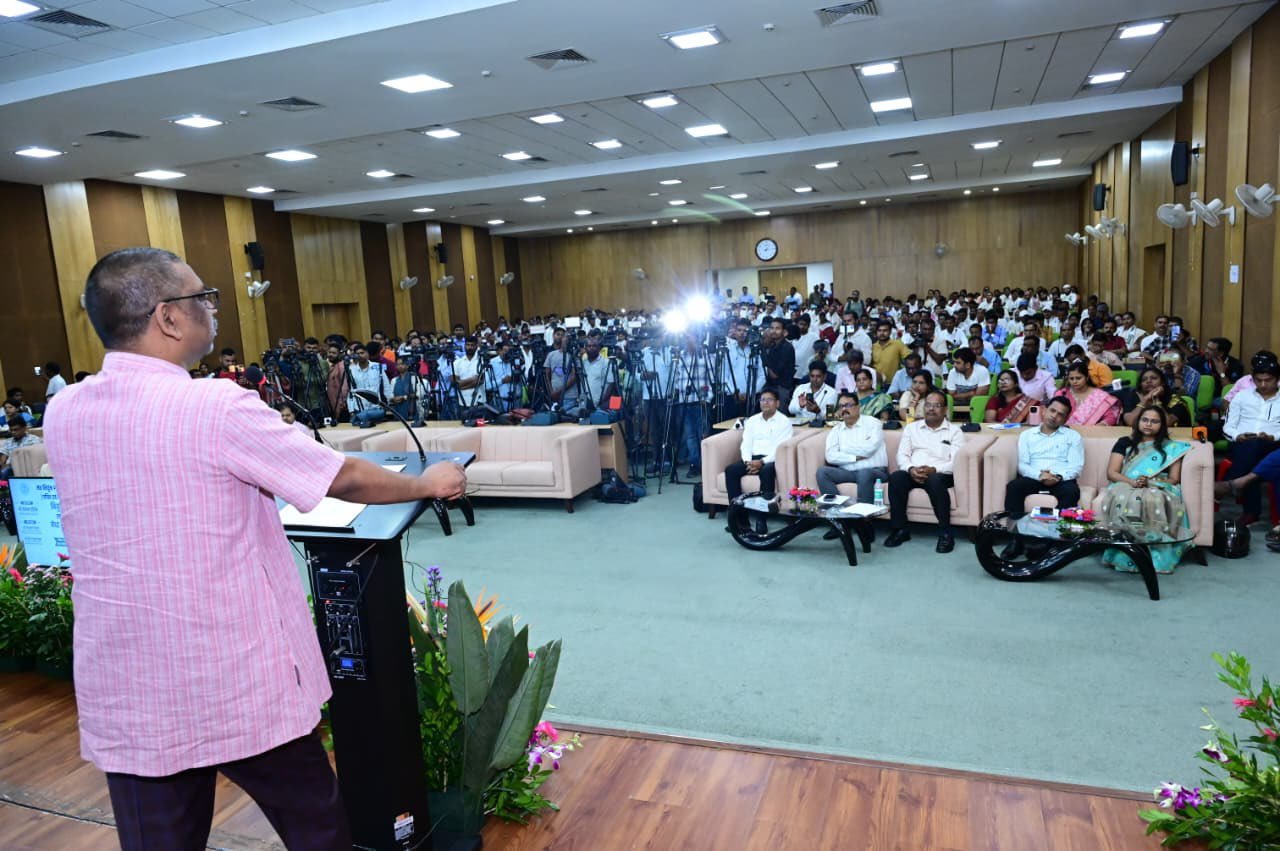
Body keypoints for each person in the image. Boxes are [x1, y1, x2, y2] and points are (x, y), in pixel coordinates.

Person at [42, 247, 467, 851]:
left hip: (130, 678)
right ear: (168, 318)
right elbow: (340, 477)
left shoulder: (65, 411)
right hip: (233, 671)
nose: (213, 309)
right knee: (317, 830)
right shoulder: (215, 405)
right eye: (203, 297)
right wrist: (428, 482)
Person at [1100, 406, 1193, 574]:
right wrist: (1133, 482)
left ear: (1162, 425)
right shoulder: (1124, 442)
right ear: (1138, 422)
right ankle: (1125, 554)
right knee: (1126, 498)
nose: (1148, 424)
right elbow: (1112, 473)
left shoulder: (1172, 448)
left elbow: (1174, 479)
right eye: (1145, 420)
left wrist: (1151, 482)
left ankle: (1155, 556)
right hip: (1126, 483)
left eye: (1154, 421)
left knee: (1153, 499)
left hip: (1156, 485)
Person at [884, 389, 965, 553]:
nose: (931, 409)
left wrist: (934, 469)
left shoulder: (955, 431)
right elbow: (902, 455)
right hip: (914, 471)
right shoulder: (911, 428)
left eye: (937, 405)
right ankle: (900, 530)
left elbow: (956, 462)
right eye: (928, 405)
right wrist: (910, 468)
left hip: (941, 473)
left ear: (945, 410)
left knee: (934, 480)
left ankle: (945, 533)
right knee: (897, 477)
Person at [725, 387, 793, 532]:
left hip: (771, 460)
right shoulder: (753, 420)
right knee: (731, 471)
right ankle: (740, 520)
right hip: (752, 459)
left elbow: (779, 449)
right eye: (762, 400)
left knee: (767, 472)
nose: (765, 403)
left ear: (777, 403)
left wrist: (762, 462)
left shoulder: (784, 421)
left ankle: (761, 519)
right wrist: (747, 462)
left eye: (769, 400)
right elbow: (746, 444)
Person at [1221, 357, 1280, 525]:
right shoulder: (1242, 396)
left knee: (1255, 448)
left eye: (1268, 380)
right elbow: (1228, 426)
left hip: (1272, 444)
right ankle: (1236, 484)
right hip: (1242, 443)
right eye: (1258, 380)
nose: (1263, 385)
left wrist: (1273, 436)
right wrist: (1237, 436)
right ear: (1253, 379)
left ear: (1277, 379)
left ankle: (1235, 487)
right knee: (1252, 449)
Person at [1004, 395, 1084, 515]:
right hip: (1034, 477)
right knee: (1014, 487)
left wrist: (1058, 477)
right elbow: (1022, 465)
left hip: (1061, 480)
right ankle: (1016, 525)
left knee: (1072, 492)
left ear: (1065, 419)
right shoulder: (1027, 435)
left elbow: (1076, 467)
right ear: (1044, 410)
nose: (1054, 416)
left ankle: (1055, 526)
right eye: (1052, 410)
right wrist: (1040, 475)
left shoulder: (1073, 436)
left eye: (1060, 414)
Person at [816, 391, 889, 513]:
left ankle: (863, 517)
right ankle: (837, 513)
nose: (844, 409)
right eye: (841, 406)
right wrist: (854, 457)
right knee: (822, 472)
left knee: (864, 473)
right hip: (848, 472)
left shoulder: (873, 423)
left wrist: (844, 450)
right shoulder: (836, 429)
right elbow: (830, 456)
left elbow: (869, 449)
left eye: (848, 405)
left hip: (875, 471)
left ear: (858, 406)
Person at [1120, 367, 1192, 428]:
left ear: (1162, 382)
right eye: (1144, 380)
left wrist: (1156, 399)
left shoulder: (1175, 400)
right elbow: (1130, 422)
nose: (1148, 381)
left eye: (1154, 378)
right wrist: (1145, 399)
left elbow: (1167, 423)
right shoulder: (1133, 396)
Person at [1061, 361, 1121, 426]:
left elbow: (1111, 417)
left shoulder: (1099, 395)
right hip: (1065, 430)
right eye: (1071, 379)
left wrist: (1102, 424)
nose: (1074, 381)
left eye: (1078, 378)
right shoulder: (1062, 394)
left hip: (1093, 431)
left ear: (1087, 377)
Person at [761, 317, 796, 398]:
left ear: (784, 332)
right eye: (772, 328)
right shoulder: (773, 345)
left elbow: (774, 374)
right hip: (771, 386)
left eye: (777, 328)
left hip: (781, 388)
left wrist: (763, 356)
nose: (774, 331)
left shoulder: (787, 347)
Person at [870, 321, 911, 385]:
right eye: (879, 330)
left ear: (890, 332)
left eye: (885, 330)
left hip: (894, 384)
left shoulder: (898, 344)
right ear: (876, 332)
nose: (882, 333)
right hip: (876, 384)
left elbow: (910, 357)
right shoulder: (873, 347)